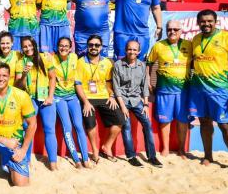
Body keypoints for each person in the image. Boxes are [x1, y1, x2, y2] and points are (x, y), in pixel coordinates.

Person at [190, 9, 228, 176]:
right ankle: (208, 156)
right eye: (203, 21)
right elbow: (195, 62)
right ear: (198, 23)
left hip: (219, 90)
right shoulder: (196, 39)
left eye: (209, 21)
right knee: (205, 122)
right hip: (199, 89)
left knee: (224, 125)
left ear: (216, 22)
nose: (206, 24)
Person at [75, 35, 124, 163]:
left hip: (104, 96)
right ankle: (95, 150)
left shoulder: (107, 62)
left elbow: (108, 82)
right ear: (87, 46)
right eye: (91, 45)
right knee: (90, 122)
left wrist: (112, 96)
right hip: (88, 97)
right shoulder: (80, 62)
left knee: (120, 120)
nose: (94, 47)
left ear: (101, 47)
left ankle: (106, 146)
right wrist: (85, 102)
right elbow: (78, 84)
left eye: (97, 45)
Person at [113, 40, 163, 168]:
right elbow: (116, 87)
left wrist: (146, 104)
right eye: (130, 49)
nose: (132, 52)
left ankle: (151, 156)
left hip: (136, 100)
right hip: (122, 100)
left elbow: (145, 86)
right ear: (125, 50)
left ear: (139, 52)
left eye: (135, 50)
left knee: (147, 123)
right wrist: (123, 107)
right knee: (127, 126)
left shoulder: (141, 65)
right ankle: (131, 156)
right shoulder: (118, 65)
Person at [146, 20, 191, 157]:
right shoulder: (158, 45)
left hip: (184, 91)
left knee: (182, 121)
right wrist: (148, 80)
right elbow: (149, 63)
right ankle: (165, 148)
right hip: (164, 90)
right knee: (165, 120)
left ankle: (181, 149)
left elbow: (197, 62)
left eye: (175, 29)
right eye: (169, 29)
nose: (172, 32)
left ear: (181, 30)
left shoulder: (189, 45)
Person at [15, 37, 57, 169]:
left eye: (30, 45)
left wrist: (50, 97)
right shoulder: (20, 62)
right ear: (22, 48)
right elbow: (18, 86)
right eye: (25, 46)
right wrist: (23, 75)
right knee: (28, 129)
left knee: (49, 128)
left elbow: (52, 78)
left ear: (35, 45)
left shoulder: (45, 58)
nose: (28, 48)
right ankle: (26, 160)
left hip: (45, 98)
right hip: (30, 99)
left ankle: (53, 163)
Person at [51, 37, 91, 168]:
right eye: (61, 46)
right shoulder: (51, 59)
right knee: (67, 126)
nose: (63, 48)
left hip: (72, 96)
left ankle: (85, 158)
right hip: (59, 97)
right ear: (57, 47)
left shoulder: (74, 58)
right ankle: (76, 160)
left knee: (79, 126)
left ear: (70, 48)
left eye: (66, 46)